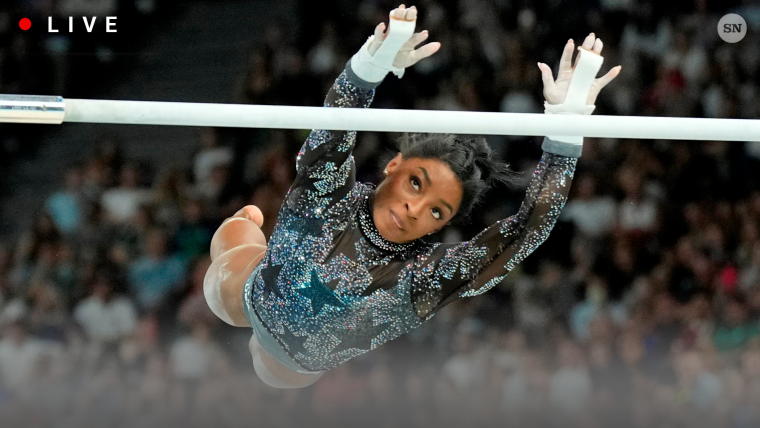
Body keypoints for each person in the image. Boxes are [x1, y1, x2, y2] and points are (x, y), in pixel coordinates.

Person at [204, 4, 621, 388]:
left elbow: (524, 232)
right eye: (416, 183)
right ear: (393, 165)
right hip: (247, 292)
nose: (414, 209)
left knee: (269, 372)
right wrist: (369, 65)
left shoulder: (423, 277)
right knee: (237, 242)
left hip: (292, 366)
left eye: (436, 211)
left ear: (442, 225)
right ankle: (247, 224)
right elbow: (335, 124)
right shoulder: (326, 193)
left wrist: (566, 132)